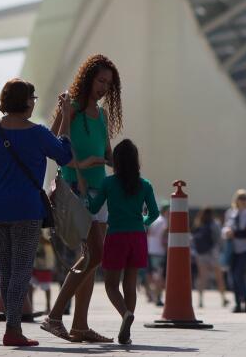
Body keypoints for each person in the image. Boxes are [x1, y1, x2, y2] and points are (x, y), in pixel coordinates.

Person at [0, 78, 73, 347]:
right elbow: (63, 154)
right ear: (26, 101)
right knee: (21, 271)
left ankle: (12, 326)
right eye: (33, 98)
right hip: (25, 210)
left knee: (6, 269)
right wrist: (67, 119)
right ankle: (13, 330)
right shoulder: (36, 133)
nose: (34, 102)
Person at [41, 54, 123, 344]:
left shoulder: (101, 115)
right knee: (94, 255)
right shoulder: (71, 107)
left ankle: (80, 326)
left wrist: (126, 165)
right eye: (100, 80)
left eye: (108, 84)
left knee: (90, 260)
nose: (103, 87)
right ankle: (53, 317)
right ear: (88, 78)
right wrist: (85, 163)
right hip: (77, 192)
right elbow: (51, 146)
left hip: (100, 194)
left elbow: (108, 153)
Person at [86, 139, 159, 346]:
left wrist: (84, 195)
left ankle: (125, 314)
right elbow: (154, 214)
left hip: (116, 235)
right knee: (130, 284)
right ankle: (126, 331)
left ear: (116, 161)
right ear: (136, 161)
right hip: (137, 237)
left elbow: (93, 208)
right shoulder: (145, 184)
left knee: (110, 284)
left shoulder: (108, 183)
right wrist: (142, 222)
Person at [222, 190, 246, 312]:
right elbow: (225, 227)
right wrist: (226, 232)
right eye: (241, 198)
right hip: (232, 249)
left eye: (245, 198)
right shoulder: (230, 213)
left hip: (244, 249)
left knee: (238, 275)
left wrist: (235, 233)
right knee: (232, 276)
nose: (243, 201)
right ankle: (237, 302)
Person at [191, 208, 226, 309]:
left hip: (201, 254)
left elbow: (193, 239)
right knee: (219, 277)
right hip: (213, 253)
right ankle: (223, 298)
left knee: (202, 277)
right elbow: (219, 239)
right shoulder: (214, 224)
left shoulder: (198, 224)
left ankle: (200, 301)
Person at [146, 204, 169, 305]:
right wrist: (166, 247)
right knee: (158, 275)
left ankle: (153, 295)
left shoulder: (156, 220)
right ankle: (158, 297)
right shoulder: (164, 221)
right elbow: (164, 237)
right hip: (159, 251)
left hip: (151, 250)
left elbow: (149, 233)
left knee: (153, 274)